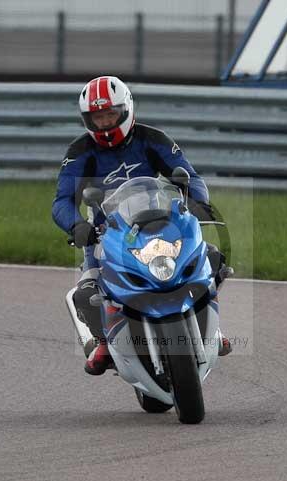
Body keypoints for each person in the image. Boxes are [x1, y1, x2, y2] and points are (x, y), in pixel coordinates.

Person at [52, 75, 232, 376]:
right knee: (87, 292)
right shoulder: (80, 152)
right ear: (87, 119)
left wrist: (197, 201)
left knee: (212, 259)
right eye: (97, 118)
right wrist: (76, 226)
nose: (105, 124)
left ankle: (211, 329)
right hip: (106, 236)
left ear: (126, 110)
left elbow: (190, 175)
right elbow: (61, 201)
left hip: (159, 226)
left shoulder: (153, 139)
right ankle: (104, 342)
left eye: (110, 114)